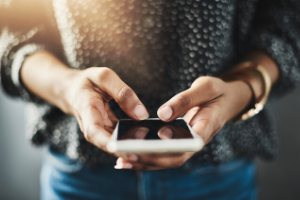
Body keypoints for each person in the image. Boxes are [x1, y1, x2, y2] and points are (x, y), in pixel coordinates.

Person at [1, 0, 300, 199]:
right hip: (81, 179)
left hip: (218, 175)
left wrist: (242, 88)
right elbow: (13, 30)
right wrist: (67, 87)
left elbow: (286, 24)